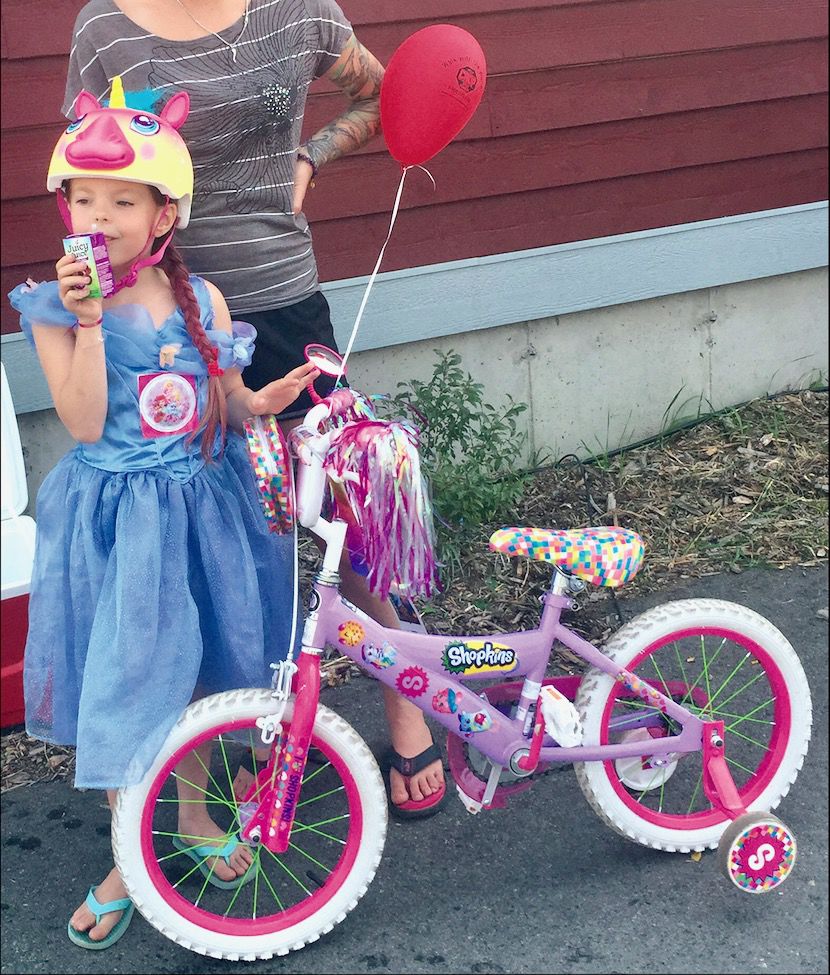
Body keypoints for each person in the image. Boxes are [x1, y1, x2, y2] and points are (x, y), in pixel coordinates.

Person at [62, 0, 447, 819]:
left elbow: (382, 96)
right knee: (237, 536)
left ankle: (405, 695)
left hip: (280, 307)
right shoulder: (105, 28)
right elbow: (90, 171)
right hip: (170, 326)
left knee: (343, 509)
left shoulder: (297, 10)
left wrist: (309, 159)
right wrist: (93, 312)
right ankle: (266, 728)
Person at [8, 83, 319, 948]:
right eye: (84, 199)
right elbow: (80, 421)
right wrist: (87, 321)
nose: (99, 217)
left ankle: (189, 816)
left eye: (122, 201)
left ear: (163, 215)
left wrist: (264, 401)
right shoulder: (53, 311)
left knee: (196, 673)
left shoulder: (201, 301)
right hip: (117, 525)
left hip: (198, 512)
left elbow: (226, 399)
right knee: (126, 682)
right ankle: (127, 851)